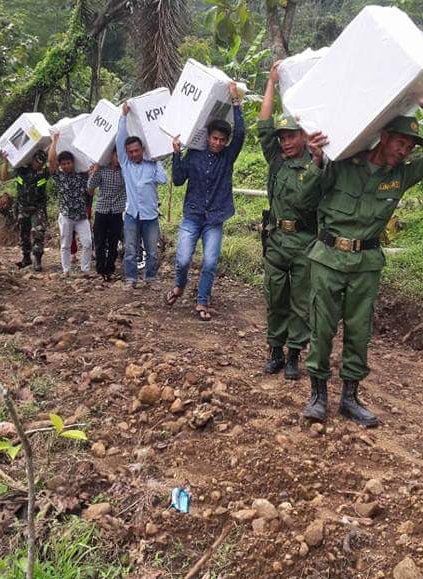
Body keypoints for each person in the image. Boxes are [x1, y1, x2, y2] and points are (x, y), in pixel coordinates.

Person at [300, 94, 423, 427]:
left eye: (410, 146)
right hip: (328, 259)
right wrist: (317, 159)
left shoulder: (401, 176)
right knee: (322, 328)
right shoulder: (342, 162)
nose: (405, 150)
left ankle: (350, 398)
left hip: (365, 264)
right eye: (400, 142)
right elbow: (305, 198)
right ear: (383, 137)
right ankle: (318, 396)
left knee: (358, 332)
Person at [166, 83, 245, 321]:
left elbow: (240, 134)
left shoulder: (228, 157)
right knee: (182, 259)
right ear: (208, 137)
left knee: (210, 262)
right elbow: (179, 180)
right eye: (215, 138)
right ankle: (179, 286)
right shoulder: (195, 154)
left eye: (222, 139)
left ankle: (202, 301)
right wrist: (176, 154)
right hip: (192, 215)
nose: (218, 143)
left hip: (215, 217)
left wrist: (236, 103)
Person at [258, 62, 317, 378]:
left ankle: (294, 355)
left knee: (300, 303)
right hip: (277, 241)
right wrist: (271, 83)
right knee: (275, 298)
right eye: (282, 137)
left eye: (291, 135)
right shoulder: (277, 159)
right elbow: (264, 124)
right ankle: (275, 351)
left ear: (304, 135)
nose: (285, 142)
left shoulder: (318, 161)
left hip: (306, 242)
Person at [116, 104, 168, 288]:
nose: (133, 154)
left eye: (136, 150)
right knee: (130, 249)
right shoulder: (125, 165)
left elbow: (163, 180)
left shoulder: (152, 165)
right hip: (131, 214)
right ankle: (131, 279)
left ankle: (151, 278)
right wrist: (123, 116)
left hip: (150, 216)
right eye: (130, 152)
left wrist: (156, 159)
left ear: (142, 149)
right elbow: (119, 139)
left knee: (152, 251)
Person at [48, 133, 92, 277]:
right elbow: (51, 160)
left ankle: (85, 269)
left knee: (87, 243)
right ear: (61, 166)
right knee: (65, 245)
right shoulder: (59, 177)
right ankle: (66, 270)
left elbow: (90, 166)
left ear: (73, 163)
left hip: (81, 216)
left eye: (69, 163)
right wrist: (54, 141)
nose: (66, 166)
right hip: (66, 216)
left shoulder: (82, 176)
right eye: (64, 164)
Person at [0, 148, 49, 271]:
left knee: (38, 233)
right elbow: (4, 177)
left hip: (38, 208)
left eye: (42, 162)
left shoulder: (45, 173)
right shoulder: (21, 170)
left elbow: (54, 163)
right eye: (37, 161)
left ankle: (37, 260)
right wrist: (5, 161)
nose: (39, 164)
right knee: (24, 234)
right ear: (32, 159)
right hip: (23, 207)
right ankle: (26, 258)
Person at [87, 147, 126, 281]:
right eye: (117, 156)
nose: (118, 159)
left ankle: (110, 268)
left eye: (121, 156)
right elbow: (90, 186)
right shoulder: (102, 169)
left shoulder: (125, 172)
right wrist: (95, 170)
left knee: (114, 242)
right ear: (111, 156)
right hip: (101, 211)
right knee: (100, 242)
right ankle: (100, 269)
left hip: (116, 212)